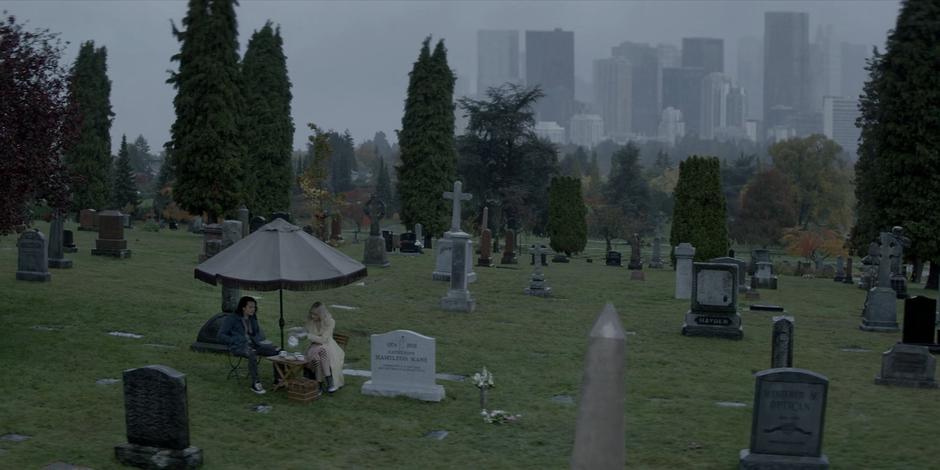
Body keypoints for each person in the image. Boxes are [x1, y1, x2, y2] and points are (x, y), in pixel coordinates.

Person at [218, 296, 280, 394]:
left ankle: (279, 380)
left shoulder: (252, 318)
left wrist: (261, 341)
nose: (253, 309)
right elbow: (221, 335)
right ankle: (255, 383)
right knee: (252, 353)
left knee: (278, 350)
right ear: (243, 307)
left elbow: (256, 333)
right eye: (250, 307)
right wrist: (235, 340)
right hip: (238, 346)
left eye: (254, 307)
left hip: (254, 345)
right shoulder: (232, 318)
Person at [303, 302, 345, 393]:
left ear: (321, 314)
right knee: (319, 352)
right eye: (311, 313)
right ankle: (329, 382)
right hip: (313, 346)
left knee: (321, 351)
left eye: (315, 314)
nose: (312, 316)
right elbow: (308, 335)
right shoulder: (310, 321)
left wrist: (308, 336)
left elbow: (324, 340)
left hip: (328, 346)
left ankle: (319, 386)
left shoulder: (330, 321)